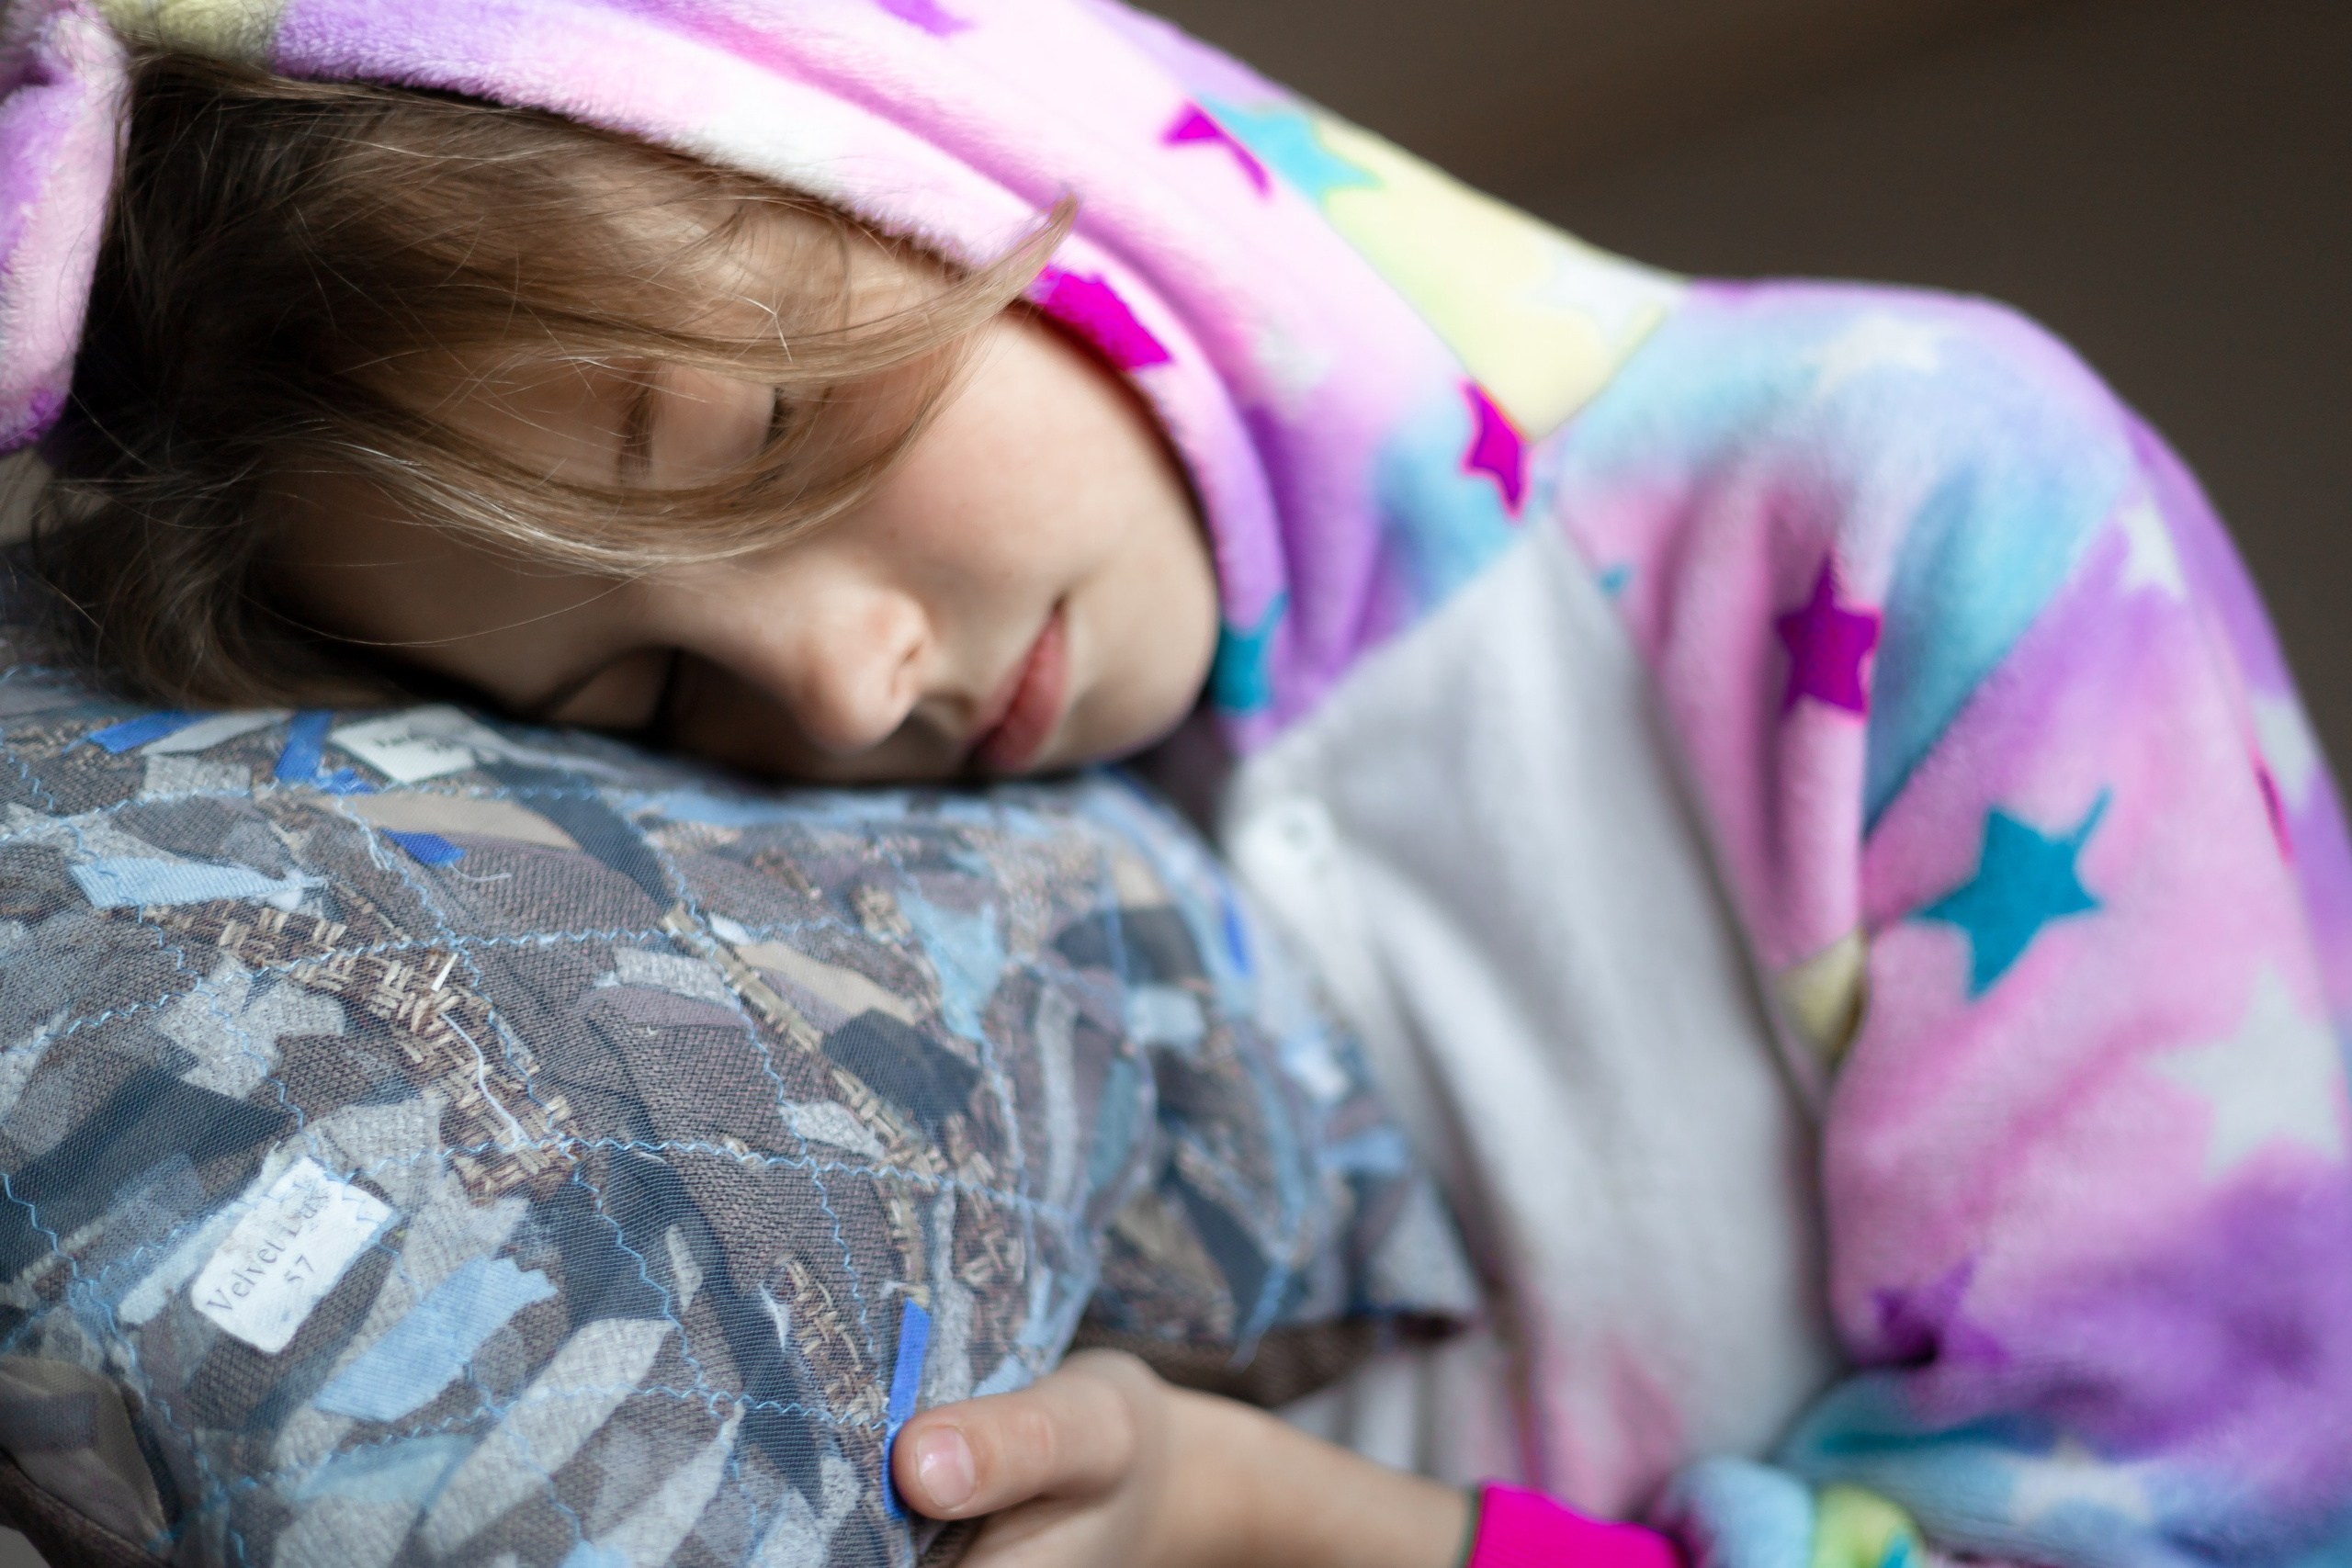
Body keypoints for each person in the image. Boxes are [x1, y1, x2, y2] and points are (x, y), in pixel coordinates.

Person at [9, 2, 2352, 1565]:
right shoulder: (1024, 848)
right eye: (638, 691)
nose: (832, 689)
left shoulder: (1913, 499)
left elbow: (2203, 1514)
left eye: (776, 435)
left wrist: (1300, 1526)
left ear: (940, 134)